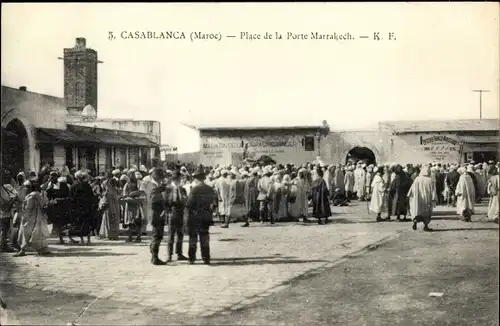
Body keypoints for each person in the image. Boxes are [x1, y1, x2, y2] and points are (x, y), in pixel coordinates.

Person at [185, 165, 217, 265]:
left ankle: (192, 258)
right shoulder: (209, 189)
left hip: (194, 216)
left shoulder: (194, 189)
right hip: (206, 216)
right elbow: (213, 203)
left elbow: (189, 204)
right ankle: (206, 258)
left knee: (193, 238)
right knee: (205, 238)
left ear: (196, 178)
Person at [14, 181, 52, 256]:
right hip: (39, 218)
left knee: (25, 234)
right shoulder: (41, 195)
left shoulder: (30, 197)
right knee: (39, 234)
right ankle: (42, 250)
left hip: (30, 218)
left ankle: (22, 250)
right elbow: (46, 204)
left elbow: (28, 208)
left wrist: (21, 208)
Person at [165, 170, 188, 262]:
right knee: (171, 235)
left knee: (180, 234)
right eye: (175, 179)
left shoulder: (183, 189)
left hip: (181, 213)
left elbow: (186, 201)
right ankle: (169, 255)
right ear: (172, 179)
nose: (177, 180)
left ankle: (179, 253)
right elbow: (165, 202)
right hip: (172, 213)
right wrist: (168, 212)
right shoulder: (168, 189)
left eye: (178, 178)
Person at [46, 175, 76, 244]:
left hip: (64, 207)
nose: (51, 180)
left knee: (67, 224)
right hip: (56, 208)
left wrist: (60, 200)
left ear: (56, 178)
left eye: (52, 178)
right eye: (50, 179)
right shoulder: (51, 186)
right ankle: (61, 239)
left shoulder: (63, 185)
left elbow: (68, 197)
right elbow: (48, 195)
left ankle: (70, 238)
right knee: (57, 224)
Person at [70, 170, 96, 245]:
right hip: (83, 207)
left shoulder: (76, 185)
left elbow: (71, 198)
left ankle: (85, 240)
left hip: (82, 207)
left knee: (84, 223)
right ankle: (85, 240)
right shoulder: (82, 185)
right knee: (83, 223)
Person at [407, 165, 436, 232]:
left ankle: (415, 221)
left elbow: (412, 189)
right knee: (426, 212)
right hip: (427, 199)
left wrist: (410, 196)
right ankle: (426, 226)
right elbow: (433, 191)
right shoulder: (430, 180)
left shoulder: (417, 179)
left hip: (418, 199)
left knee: (417, 211)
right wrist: (434, 199)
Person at [148, 168, 168, 265]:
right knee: (157, 235)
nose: (162, 180)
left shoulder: (153, 186)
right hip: (157, 214)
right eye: (161, 178)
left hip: (155, 214)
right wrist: (162, 210)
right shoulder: (154, 187)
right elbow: (155, 201)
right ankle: (155, 258)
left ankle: (154, 256)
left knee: (156, 235)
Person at [1, 170, 18, 253]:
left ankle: (3, 244)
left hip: (4, 212)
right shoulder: (5, 187)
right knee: (4, 229)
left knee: (4, 229)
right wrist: (10, 204)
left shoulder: (5, 187)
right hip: (4, 212)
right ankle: (3, 245)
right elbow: (15, 196)